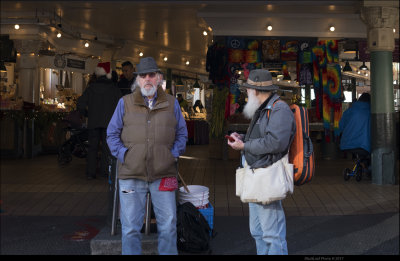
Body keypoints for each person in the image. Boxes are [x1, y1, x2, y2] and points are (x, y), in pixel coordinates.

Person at [106, 57, 188, 255]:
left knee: (168, 226)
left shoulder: (171, 103)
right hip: (131, 175)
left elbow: (182, 134)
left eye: (152, 75)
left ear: (159, 78)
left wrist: (172, 155)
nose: (148, 79)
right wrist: (125, 155)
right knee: (130, 228)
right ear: (138, 79)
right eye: (143, 75)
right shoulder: (124, 103)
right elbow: (111, 134)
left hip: (164, 173)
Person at [227, 69, 295, 255]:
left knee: (272, 235)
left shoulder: (279, 109)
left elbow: (275, 142)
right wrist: (241, 138)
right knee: (258, 232)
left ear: (256, 91)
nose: (246, 94)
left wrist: (244, 146)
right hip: (257, 176)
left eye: (248, 90)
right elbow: (260, 137)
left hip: (267, 177)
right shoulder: (263, 108)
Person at [77, 62, 122, 179]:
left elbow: (80, 103)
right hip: (109, 123)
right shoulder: (114, 89)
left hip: (93, 122)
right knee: (107, 149)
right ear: (108, 74)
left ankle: (90, 173)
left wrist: (86, 114)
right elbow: (122, 106)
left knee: (92, 148)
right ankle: (105, 172)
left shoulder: (91, 88)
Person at [339, 92, 371, 170]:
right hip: (364, 146)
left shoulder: (349, 111)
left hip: (346, 144)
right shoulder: (370, 112)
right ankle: (368, 168)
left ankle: (362, 164)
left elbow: (341, 127)